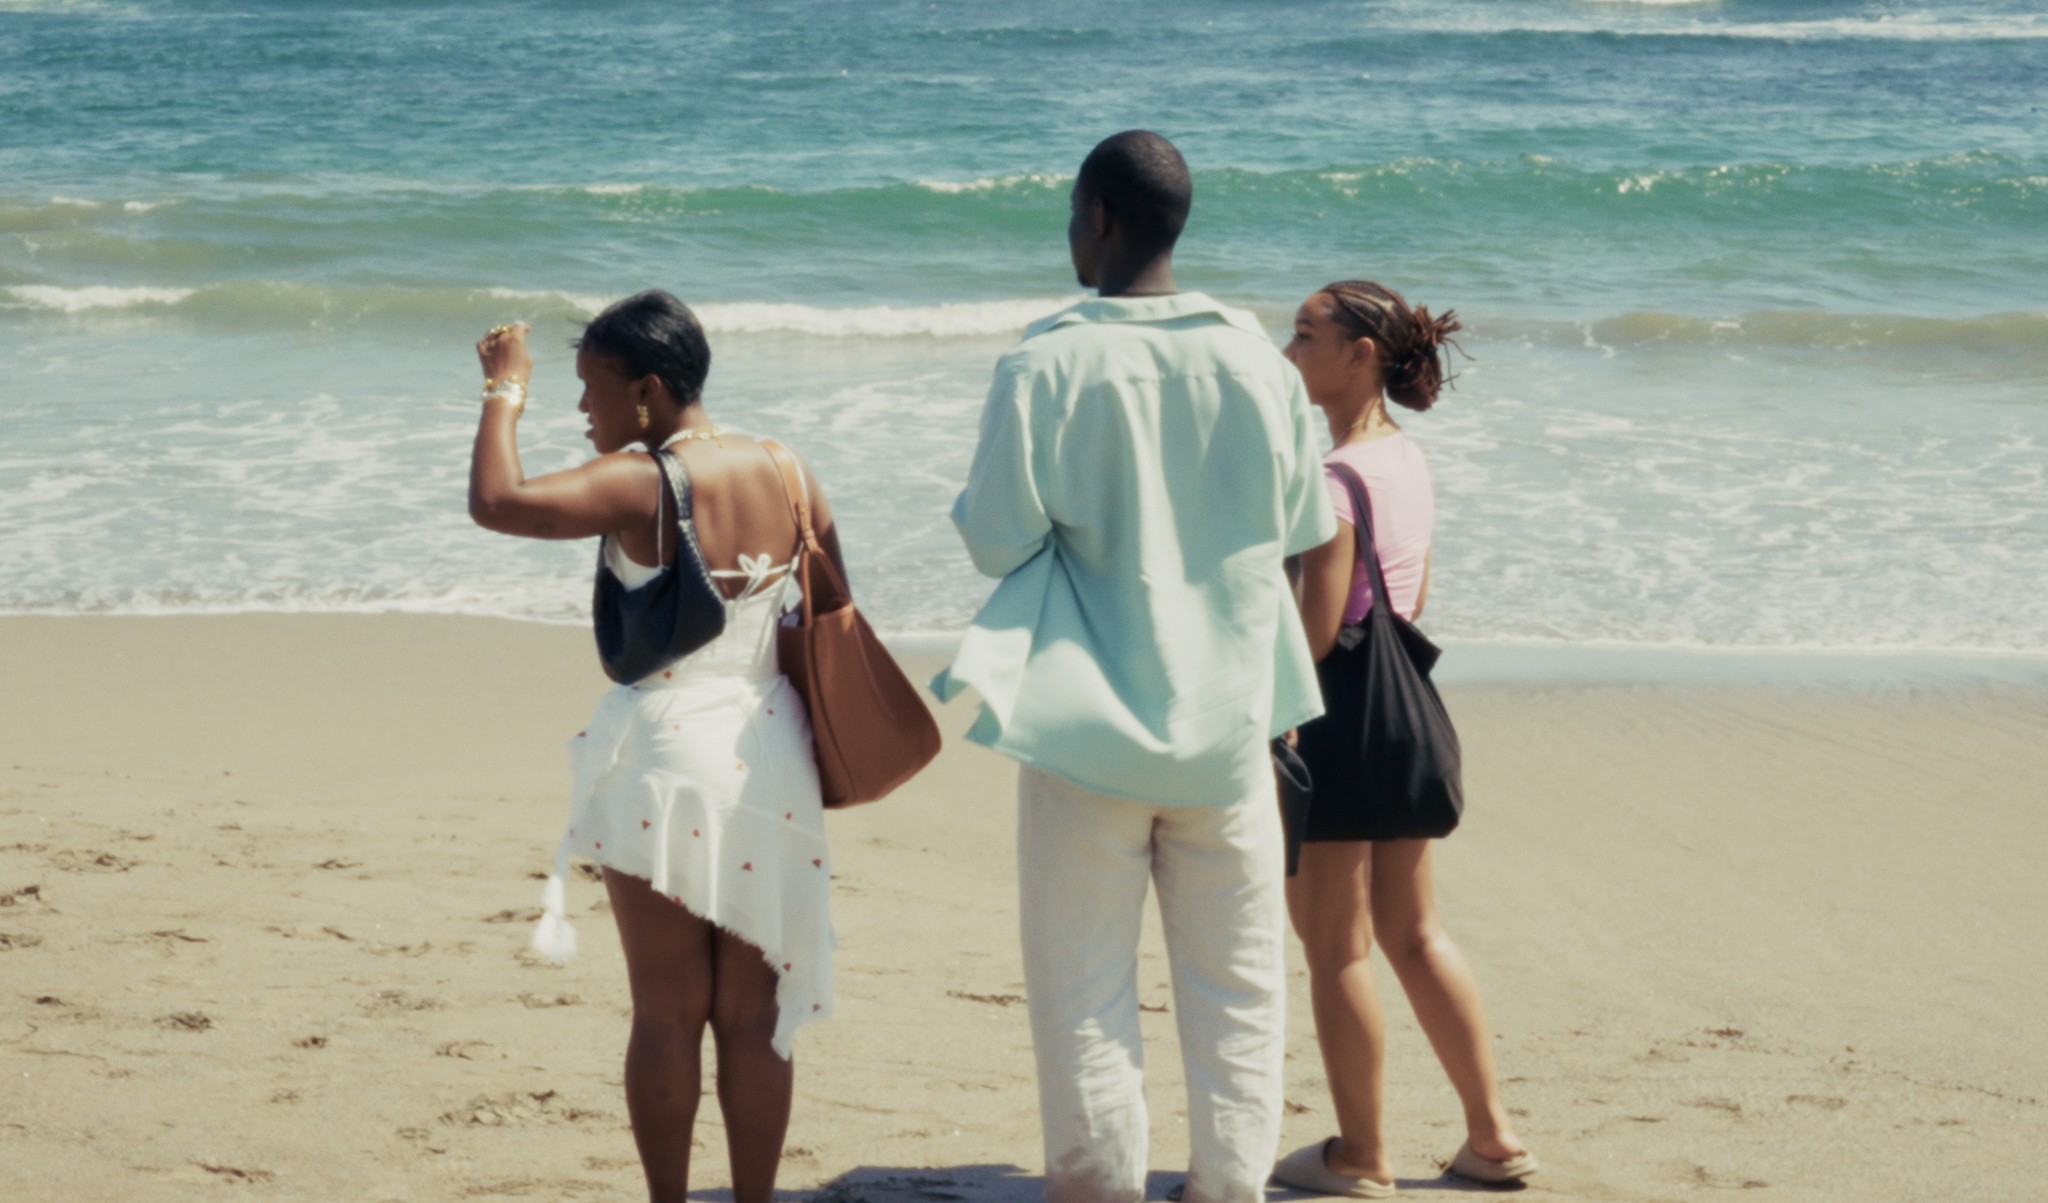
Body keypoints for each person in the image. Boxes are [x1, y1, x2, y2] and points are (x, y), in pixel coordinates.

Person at [932, 131, 1338, 1203]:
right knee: (1239, 988)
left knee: (1081, 990)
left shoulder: (1044, 360)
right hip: (1231, 725)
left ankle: (1102, 1188)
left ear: (1101, 217)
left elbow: (996, 540)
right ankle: (1226, 1189)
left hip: (1083, 727)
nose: (1069, 232)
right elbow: (1302, 523)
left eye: (1073, 213)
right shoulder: (1256, 359)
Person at [467, 292, 846, 1203]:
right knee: (755, 1017)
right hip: (771, 750)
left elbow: (498, 500)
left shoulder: (643, 480)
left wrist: (502, 393)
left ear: (645, 392)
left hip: (671, 756)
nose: (583, 410)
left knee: (667, 1014)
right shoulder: (787, 468)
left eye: (590, 389)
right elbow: (827, 610)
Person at [1273, 280, 1536, 1196]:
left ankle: (1360, 1155)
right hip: (1409, 712)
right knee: (1416, 934)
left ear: (1361, 355)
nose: (1289, 350)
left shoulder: (1334, 477)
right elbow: (1405, 598)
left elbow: (1312, 631)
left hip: (1338, 723)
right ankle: (1492, 1135)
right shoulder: (1405, 459)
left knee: (1337, 948)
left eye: (1306, 335)